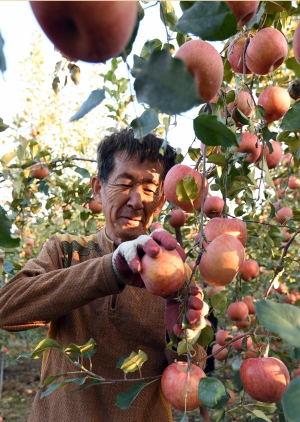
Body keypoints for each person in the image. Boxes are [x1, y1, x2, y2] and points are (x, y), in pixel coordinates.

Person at [0, 128, 206, 422]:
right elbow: (6, 309)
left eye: (149, 189)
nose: (137, 200)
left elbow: (190, 380)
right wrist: (110, 269)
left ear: (161, 201)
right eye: (124, 183)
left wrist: (185, 337)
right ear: (98, 188)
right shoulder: (66, 251)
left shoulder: (176, 272)